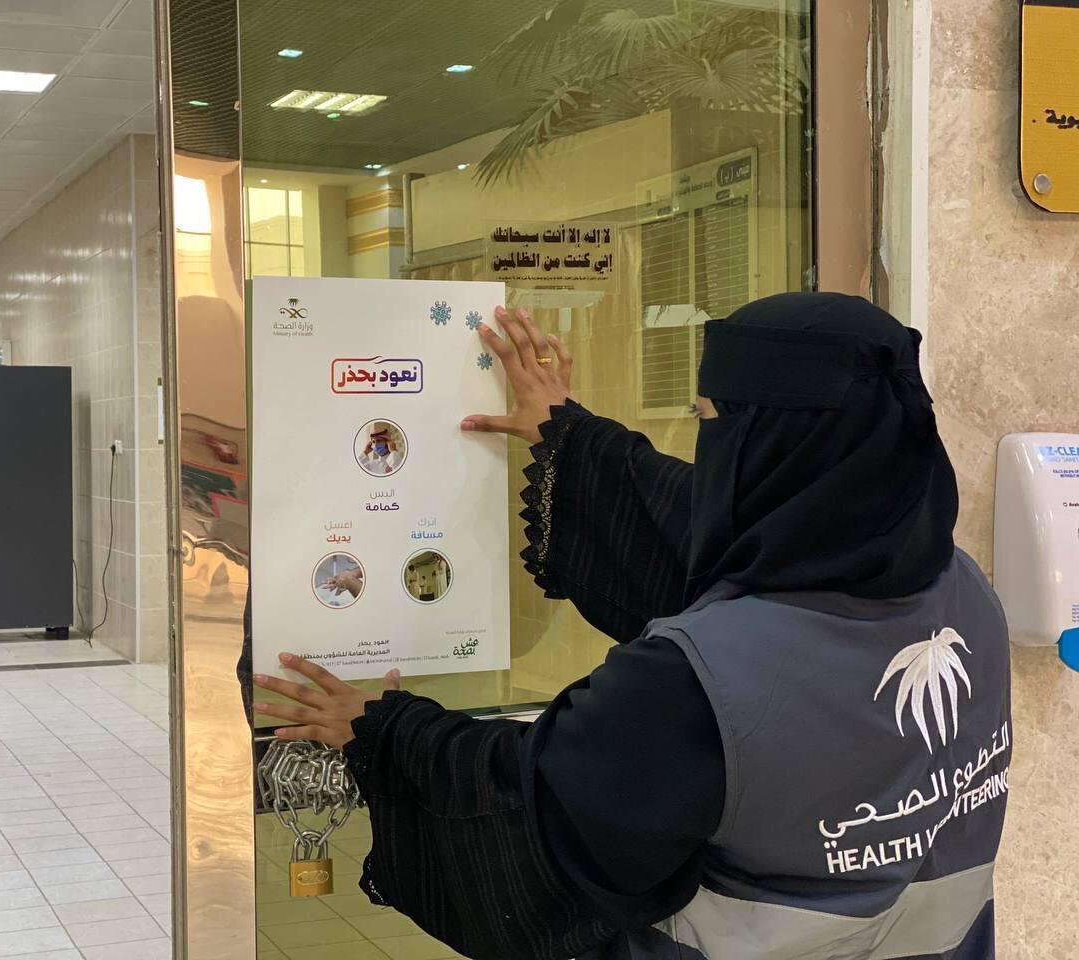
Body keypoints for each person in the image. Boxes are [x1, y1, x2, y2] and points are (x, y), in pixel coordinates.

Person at [255, 295, 1012, 960]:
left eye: (709, 421)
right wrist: (570, 436)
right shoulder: (965, 596)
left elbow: (532, 804)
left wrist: (381, 731)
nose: (704, 445)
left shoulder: (701, 688)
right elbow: (726, 527)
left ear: (767, 448)